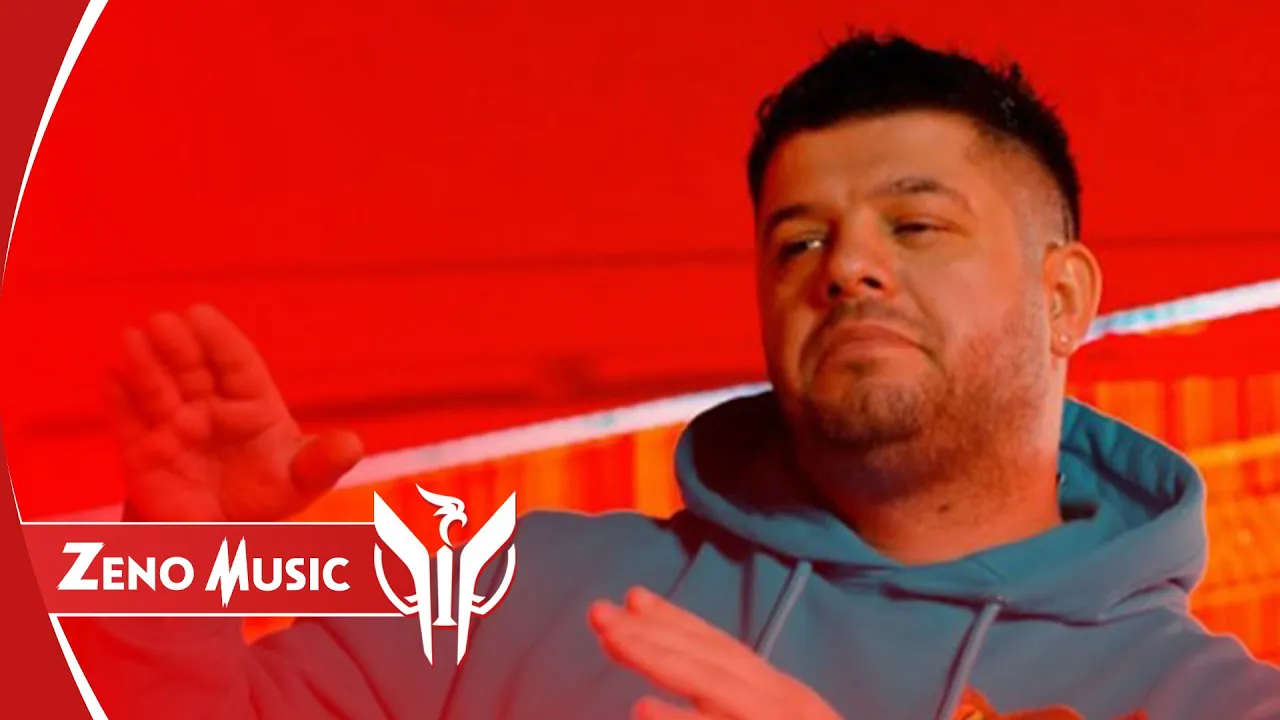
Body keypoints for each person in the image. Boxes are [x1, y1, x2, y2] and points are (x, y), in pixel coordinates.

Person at [65, 33, 1280, 720]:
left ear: (1063, 298)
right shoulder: (503, 594)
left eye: (914, 227)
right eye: (796, 241)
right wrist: (169, 567)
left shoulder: (1211, 706)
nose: (844, 266)